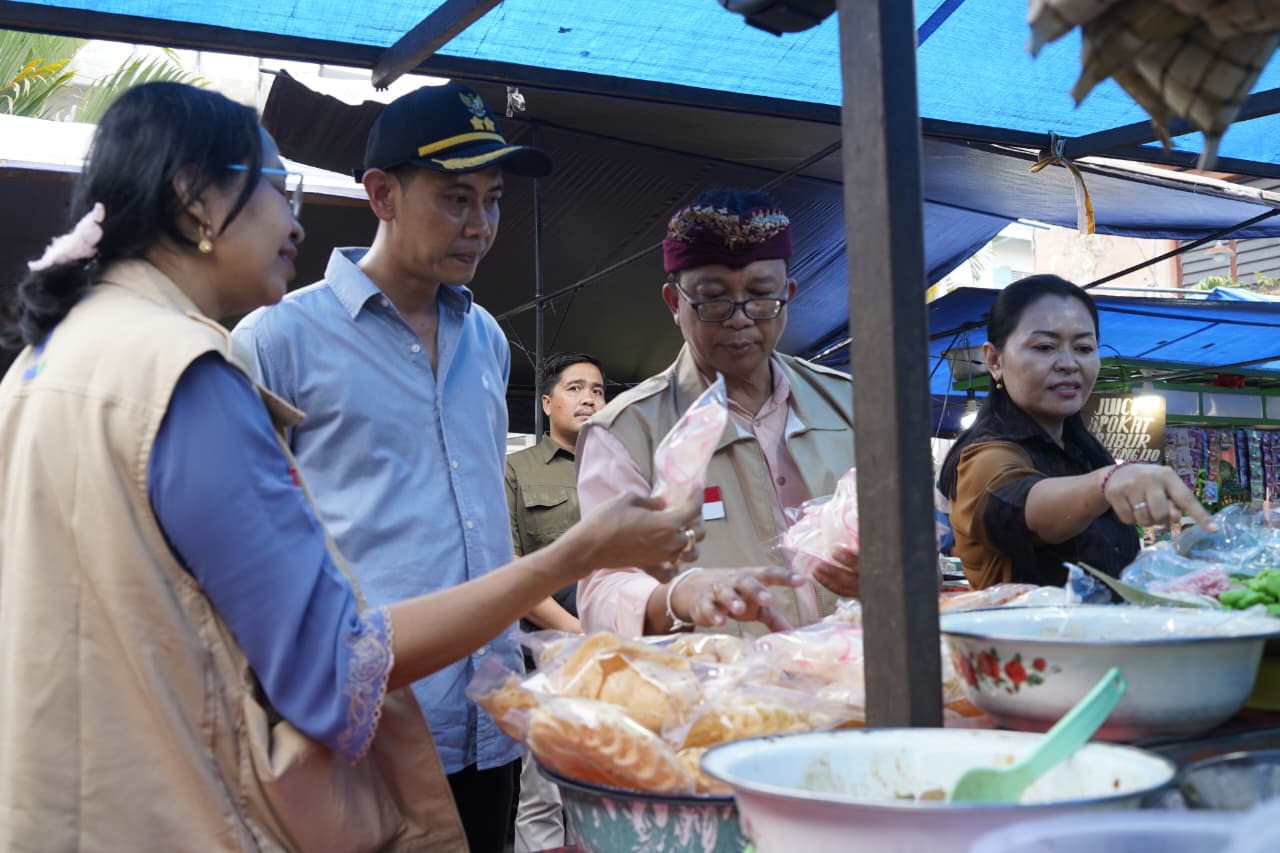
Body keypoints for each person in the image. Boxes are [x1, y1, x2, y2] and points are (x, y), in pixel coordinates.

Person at [0, 81, 704, 852]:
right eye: (279, 188)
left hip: (90, 790)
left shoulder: (45, 361)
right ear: (197, 201)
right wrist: (579, 552)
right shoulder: (205, 367)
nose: (294, 218)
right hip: (232, 782)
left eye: (492, 199)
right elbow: (331, 663)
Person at [576, 187, 861, 638]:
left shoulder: (852, 405)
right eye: (713, 300)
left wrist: (888, 568)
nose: (740, 318)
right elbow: (602, 590)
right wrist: (680, 595)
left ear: (788, 294)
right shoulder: (628, 431)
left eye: (761, 296)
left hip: (852, 681)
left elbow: (914, 538)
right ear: (674, 304)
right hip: (724, 698)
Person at [937, 274, 1214, 591]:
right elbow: (1027, 505)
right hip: (1032, 639)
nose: (1068, 363)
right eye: (1045, 347)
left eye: (1083, 347)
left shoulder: (1082, 452)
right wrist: (1108, 480)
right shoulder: (986, 456)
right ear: (994, 360)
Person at [504, 351, 603, 852]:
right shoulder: (517, 470)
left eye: (598, 390)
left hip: (614, 646)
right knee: (543, 787)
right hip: (546, 647)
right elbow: (510, 568)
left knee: (608, 776)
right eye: (576, 388)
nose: (589, 398)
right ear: (546, 403)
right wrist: (572, 632)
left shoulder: (620, 463)